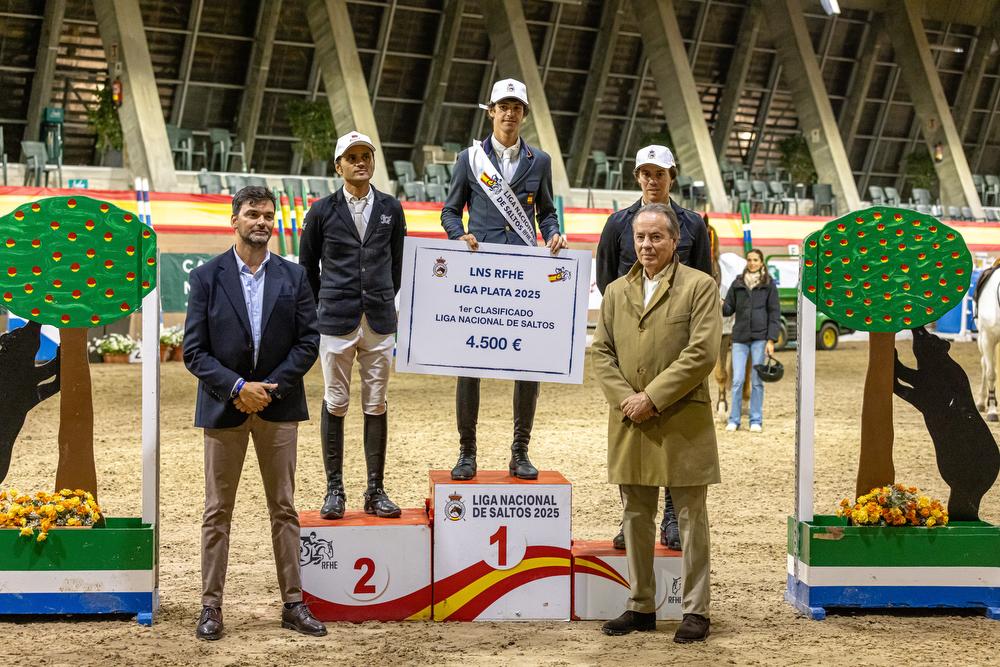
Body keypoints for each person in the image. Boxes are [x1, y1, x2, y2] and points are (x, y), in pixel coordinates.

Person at [183, 186, 326, 640]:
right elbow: (194, 351)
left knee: (284, 508)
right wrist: (238, 388)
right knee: (216, 511)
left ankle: (293, 603)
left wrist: (267, 390)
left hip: (278, 407)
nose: (261, 222)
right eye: (252, 214)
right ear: (235, 220)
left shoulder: (295, 277)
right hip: (223, 406)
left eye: (268, 215)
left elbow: (308, 341)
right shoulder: (206, 277)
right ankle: (211, 607)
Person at [591, 202, 721, 642]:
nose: (647, 245)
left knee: (690, 517)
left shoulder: (700, 286)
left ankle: (696, 610)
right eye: (640, 237)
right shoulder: (615, 292)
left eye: (656, 237)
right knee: (635, 515)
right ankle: (640, 604)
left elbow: (702, 353)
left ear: (675, 241)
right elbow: (601, 353)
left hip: (683, 418)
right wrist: (627, 400)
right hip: (630, 419)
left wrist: (652, 397)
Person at [440, 78, 567, 481]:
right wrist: (459, 236)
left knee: (529, 366)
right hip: (481, 276)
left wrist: (553, 234)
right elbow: (449, 211)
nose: (510, 113)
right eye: (503, 107)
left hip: (523, 276)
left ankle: (520, 450)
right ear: (491, 112)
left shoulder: (540, 161)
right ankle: (467, 452)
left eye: (517, 107)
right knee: (469, 365)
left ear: (523, 114)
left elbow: (547, 212)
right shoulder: (469, 159)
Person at [595, 145, 712, 552]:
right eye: (646, 173)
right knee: (633, 443)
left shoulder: (693, 224)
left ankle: (673, 516)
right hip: (632, 350)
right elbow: (609, 282)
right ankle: (633, 517)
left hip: (675, 347)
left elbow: (702, 279)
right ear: (637, 177)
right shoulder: (616, 224)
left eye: (659, 173)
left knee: (677, 439)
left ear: (671, 177)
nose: (652, 180)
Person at [299, 130, 407, 520]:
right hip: (335, 319)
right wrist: (322, 307)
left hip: (378, 319)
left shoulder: (392, 207)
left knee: (376, 402)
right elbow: (307, 267)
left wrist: (381, 296)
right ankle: (335, 490)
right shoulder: (320, 211)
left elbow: (397, 263)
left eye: (366, 156)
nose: (360, 162)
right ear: (338, 166)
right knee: (336, 401)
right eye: (352, 157)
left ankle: (375, 491)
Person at [723, 248, 780, 432]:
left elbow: (774, 313)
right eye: (749, 259)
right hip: (740, 338)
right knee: (737, 380)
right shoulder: (738, 283)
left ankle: (755, 420)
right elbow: (728, 309)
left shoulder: (769, 284)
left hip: (760, 338)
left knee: (756, 381)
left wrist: (771, 340)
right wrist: (720, 303)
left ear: (761, 262)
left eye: (756, 260)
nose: (752, 263)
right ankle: (734, 419)